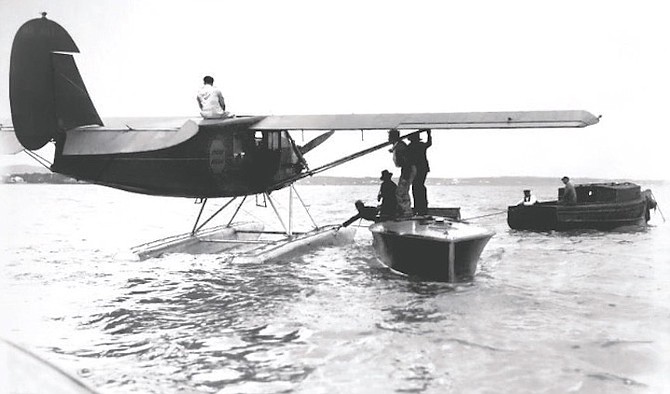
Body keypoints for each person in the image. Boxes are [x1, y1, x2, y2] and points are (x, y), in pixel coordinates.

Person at [388, 128, 415, 218]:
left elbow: (406, 160)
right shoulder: (398, 145)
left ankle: (406, 211)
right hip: (407, 169)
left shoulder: (400, 146)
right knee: (402, 191)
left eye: (389, 136)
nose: (388, 138)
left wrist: (406, 174)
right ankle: (405, 210)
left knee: (401, 192)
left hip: (407, 169)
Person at [407, 129, 432, 215]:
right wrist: (429, 134)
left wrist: (429, 133)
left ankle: (420, 207)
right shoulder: (419, 145)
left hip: (417, 169)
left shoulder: (410, 146)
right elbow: (429, 143)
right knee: (419, 187)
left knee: (417, 187)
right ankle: (421, 207)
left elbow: (429, 143)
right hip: (422, 168)